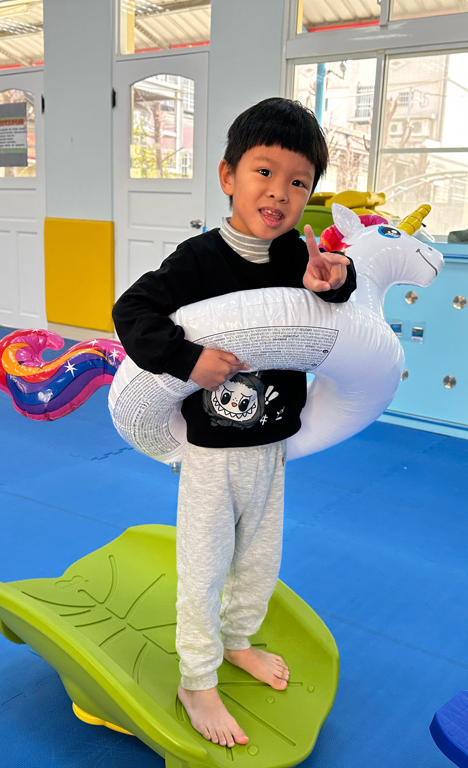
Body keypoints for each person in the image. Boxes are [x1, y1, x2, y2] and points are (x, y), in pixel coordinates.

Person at [111, 97, 356, 748]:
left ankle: (238, 640)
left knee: (259, 561)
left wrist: (336, 279)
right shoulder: (198, 260)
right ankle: (196, 679)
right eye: (264, 172)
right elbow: (132, 311)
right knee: (204, 568)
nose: (279, 192)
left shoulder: (296, 258)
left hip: (272, 448)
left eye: (298, 182)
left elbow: (336, 297)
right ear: (228, 176)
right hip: (213, 451)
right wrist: (187, 360)